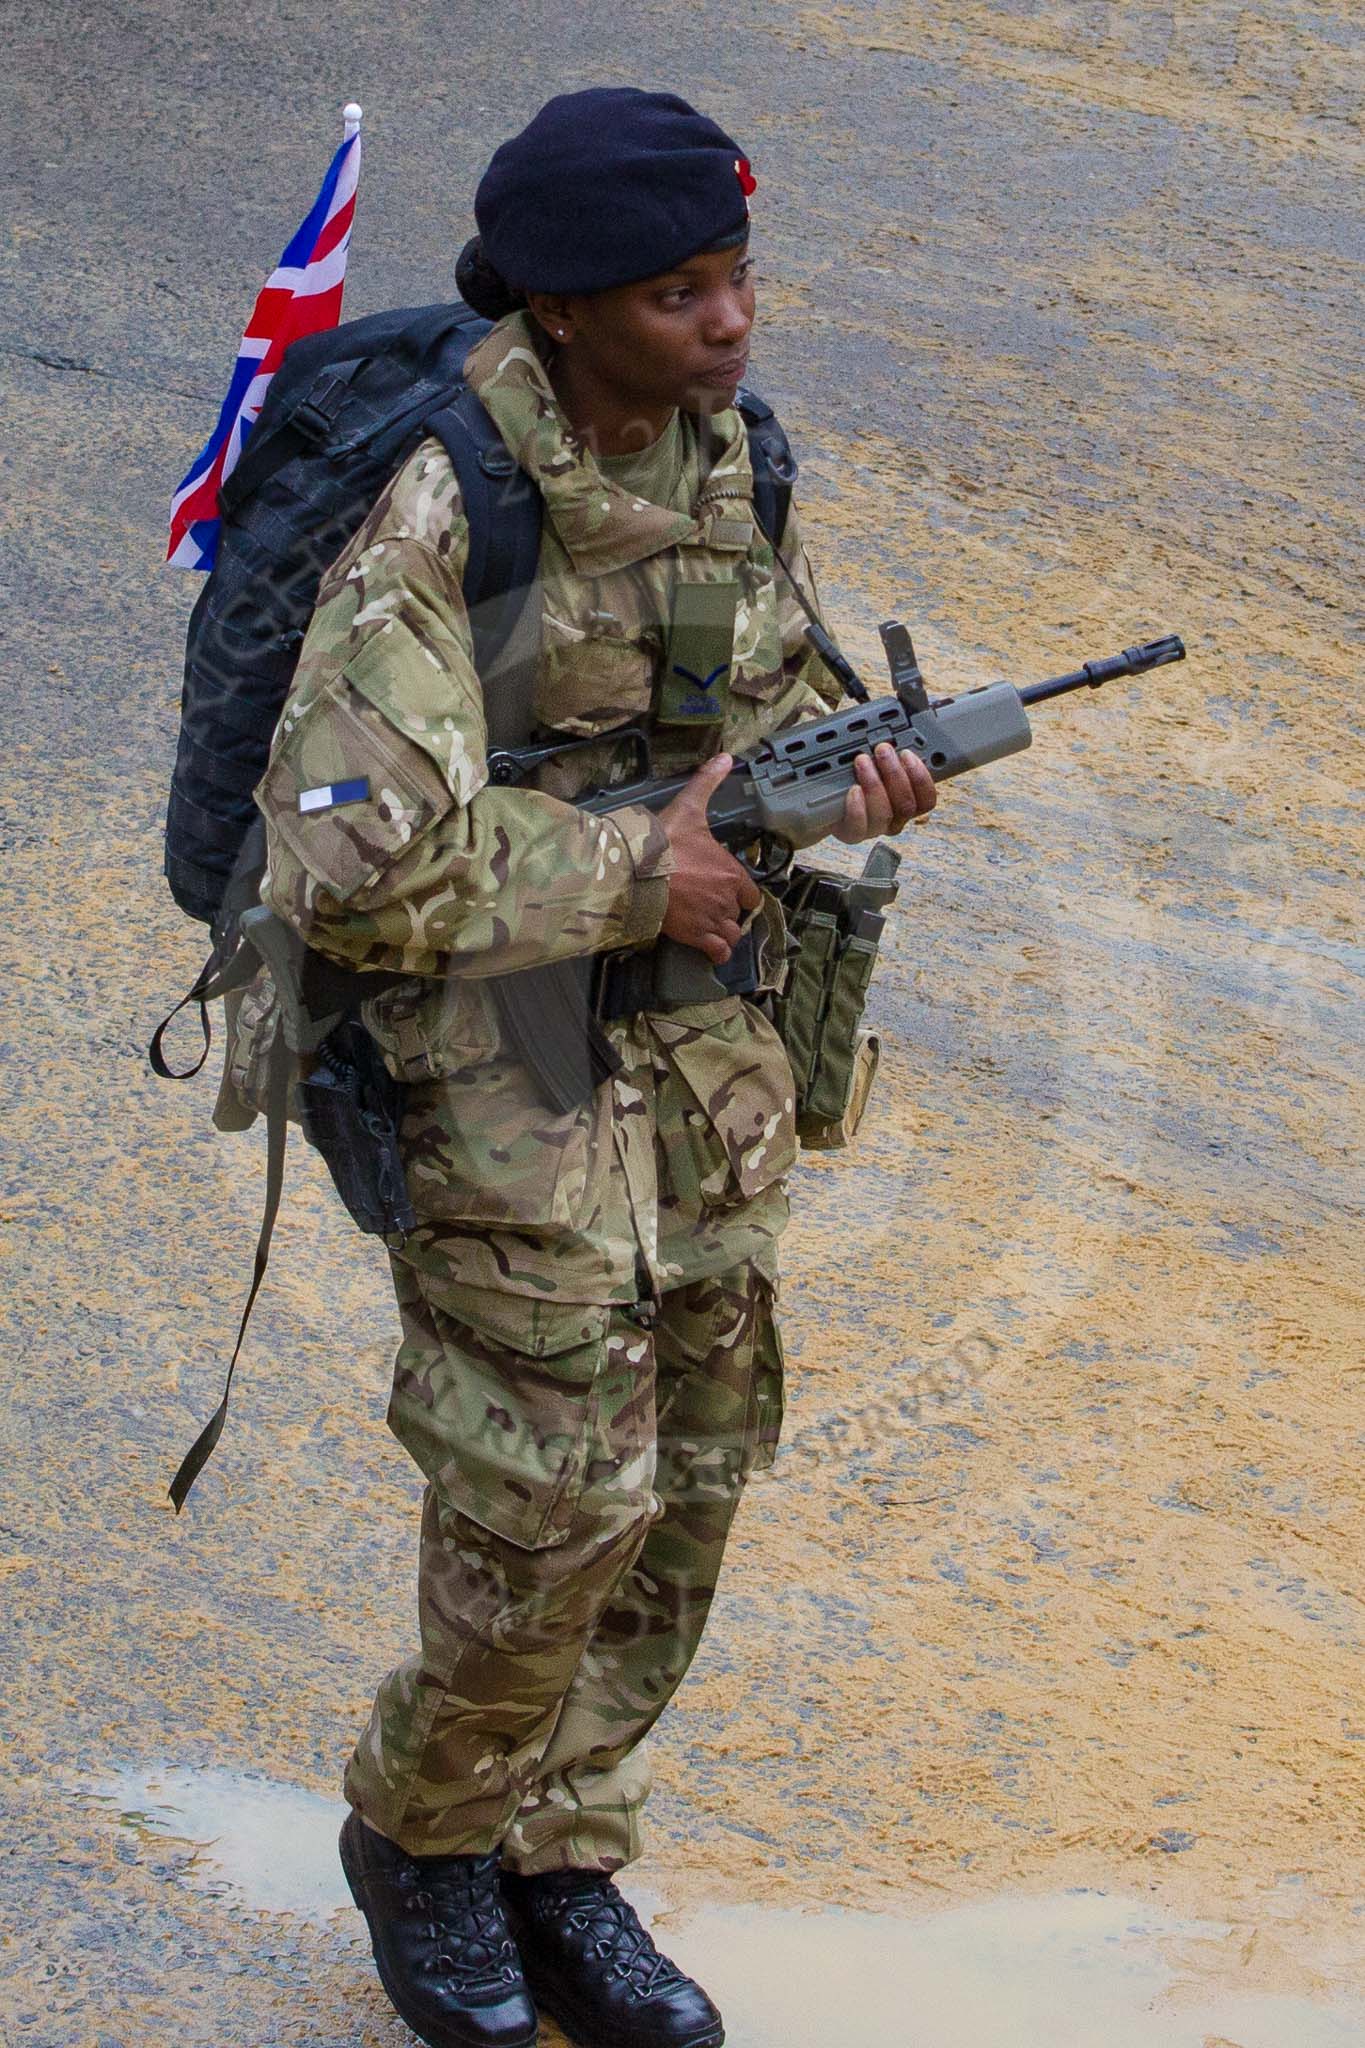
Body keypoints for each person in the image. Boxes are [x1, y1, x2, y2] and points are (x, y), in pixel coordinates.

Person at [254, 86, 936, 2048]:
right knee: (553, 1488)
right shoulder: (437, 502)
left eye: (735, 276)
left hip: (696, 1032)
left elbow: (758, 688)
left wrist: (841, 766)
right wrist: (654, 856)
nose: (727, 320)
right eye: (676, 289)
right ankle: (428, 1837)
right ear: (561, 307)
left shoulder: (733, 453)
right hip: (491, 1036)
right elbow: (344, 856)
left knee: (700, 1464)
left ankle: (565, 1859)